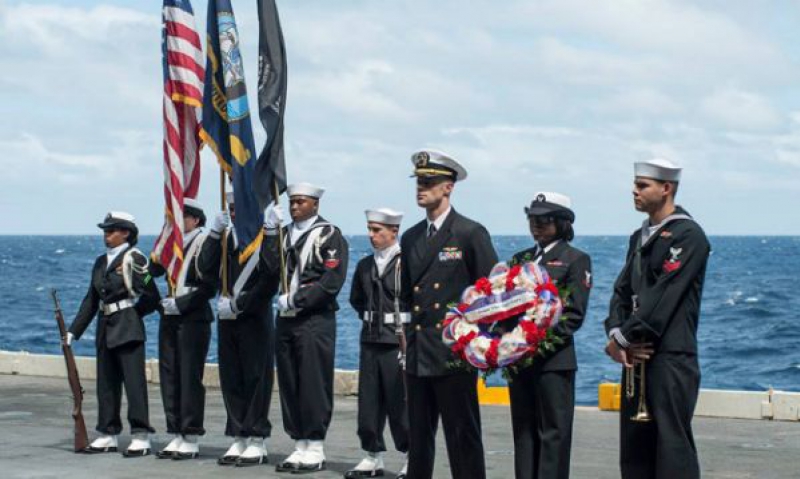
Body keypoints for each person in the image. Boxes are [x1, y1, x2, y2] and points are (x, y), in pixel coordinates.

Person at [604, 159, 711, 479]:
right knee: (635, 449)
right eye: (635, 184)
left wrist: (622, 338)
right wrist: (614, 333)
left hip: (670, 357)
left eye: (643, 185)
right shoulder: (639, 236)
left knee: (671, 446)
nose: (634, 191)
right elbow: (622, 291)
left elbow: (663, 297)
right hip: (636, 357)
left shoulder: (688, 235)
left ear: (666, 188)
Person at [399, 150, 498, 479]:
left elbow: (493, 293)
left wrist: (478, 340)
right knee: (419, 438)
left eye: (429, 182)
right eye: (419, 181)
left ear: (448, 187)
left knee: (462, 436)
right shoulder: (411, 236)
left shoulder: (469, 233)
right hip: (417, 351)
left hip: (453, 353)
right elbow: (405, 295)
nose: (421, 188)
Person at [261, 182, 349, 474]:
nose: (295, 206)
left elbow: (331, 282)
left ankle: (315, 444)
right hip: (286, 319)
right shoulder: (285, 234)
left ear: (315, 204)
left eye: (301, 202)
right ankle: (299, 441)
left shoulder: (329, 234)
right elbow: (269, 269)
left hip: (314, 320)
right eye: (292, 202)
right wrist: (270, 233)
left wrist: (297, 298)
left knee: (312, 381)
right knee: (289, 381)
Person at [508, 192, 592, 479]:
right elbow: (503, 308)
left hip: (554, 363)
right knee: (523, 432)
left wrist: (531, 344)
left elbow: (572, 316)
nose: (536, 225)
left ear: (562, 222)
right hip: (519, 363)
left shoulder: (575, 260)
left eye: (544, 219)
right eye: (532, 218)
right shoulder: (520, 260)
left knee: (553, 434)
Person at [65, 211, 157, 456]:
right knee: (106, 383)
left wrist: (133, 315)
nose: (107, 234)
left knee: (134, 384)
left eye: (112, 230)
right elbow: (91, 300)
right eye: (105, 230)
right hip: (105, 327)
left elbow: (151, 295)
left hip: (128, 327)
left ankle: (140, 434)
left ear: (126, 232)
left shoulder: (135, 259)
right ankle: (108, 433)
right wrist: (73, 331)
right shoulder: (100, 262)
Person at [211, 190, 280, 466]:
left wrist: (240, 304)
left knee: (255, 377)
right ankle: (238, 435)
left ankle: (256, 438)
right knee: (231, 378)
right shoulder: (227, 240)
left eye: (240, 209)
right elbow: (204, 270)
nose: (236, 214)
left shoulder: (262, 239)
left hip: (254, 317)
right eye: (232, 209)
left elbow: (270, 278)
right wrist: (214, 235)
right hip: (227, 319)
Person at [345, 208, 410, 479]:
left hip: (398, 341)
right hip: (370, 339)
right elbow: (356, 299)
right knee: (369, 403)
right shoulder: (365, 265)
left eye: (378, 230)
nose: (372, 235)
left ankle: (412, 455)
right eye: (370, 229)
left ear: (393, 231)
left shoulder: (407, 263)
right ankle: (372, 455)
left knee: (401, 403)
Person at [152, 198, 218, 460]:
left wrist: (180, 304)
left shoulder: (204, 243)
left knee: (189, 376)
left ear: (196, 220)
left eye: (182, 217)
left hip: (193, 315)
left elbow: (210, 287)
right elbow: (152, 272)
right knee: (170, 375)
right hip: (169, 314)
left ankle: (190, 434)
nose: (177, 222)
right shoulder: (171, 245)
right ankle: (176, 431)